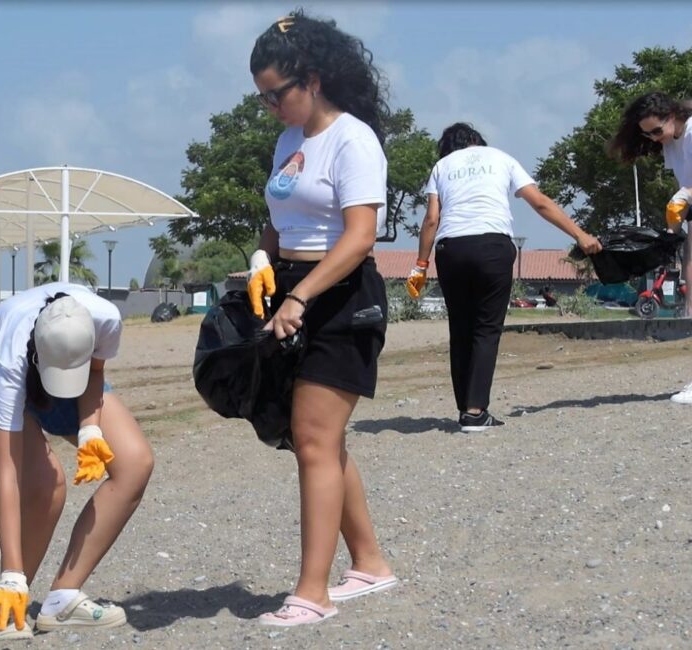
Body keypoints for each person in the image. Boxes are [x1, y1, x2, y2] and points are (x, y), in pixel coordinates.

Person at [246, 10, 396, 627]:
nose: (271, 107)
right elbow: (280, 221)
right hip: (290, 290)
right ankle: (371, 563)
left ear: (311, 78)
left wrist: (300, 296)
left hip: (340, 297)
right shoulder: (290, 140)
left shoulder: (353, 139)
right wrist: (261, 257)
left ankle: (313, 592)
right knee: (317, 439)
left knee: (312, 439)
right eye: (263, 98)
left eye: (276, 94)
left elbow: (360, 238)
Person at [0, 281, 153, 640]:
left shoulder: (105, 318)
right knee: (47, 484)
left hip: (74, 368)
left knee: (134, 463)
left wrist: (90, 430)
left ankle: (63, 599)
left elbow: (93, 371)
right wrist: (10, 573)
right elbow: (8, 474)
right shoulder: (12, 355)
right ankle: (12, 600)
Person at [410, 123, 601, 431]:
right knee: (486, 329)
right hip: (492, 246)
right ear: (477, 141)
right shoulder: (501, 158)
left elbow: (432, 219)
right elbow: (539, 202)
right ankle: (476, 411)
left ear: (450, 147)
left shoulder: (442, 165)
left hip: (451, 249)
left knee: (460, 329)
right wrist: (580, 235)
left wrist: (419, 265)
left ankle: (464, 410)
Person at [611, 91, 692, 402]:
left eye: (656, 131)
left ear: (672, 116)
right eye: (646, 134)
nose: (653, 138)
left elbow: (691, 188)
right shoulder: (672, 143)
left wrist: (688, 194)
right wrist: (671, 227)